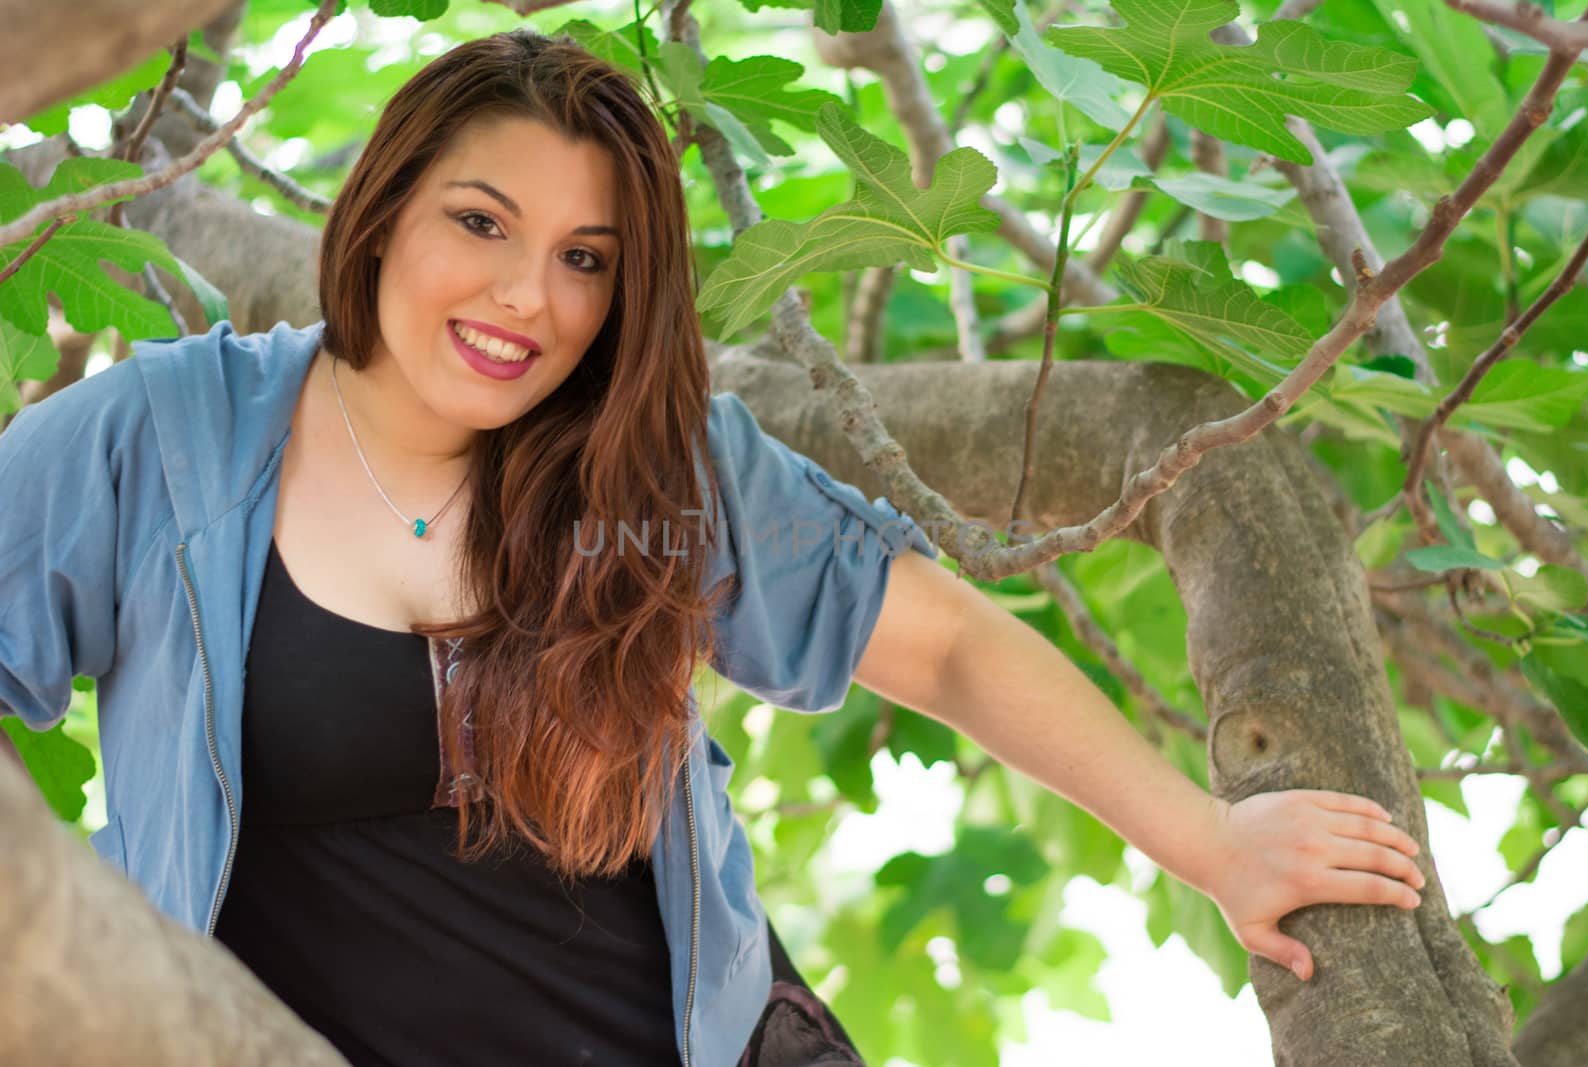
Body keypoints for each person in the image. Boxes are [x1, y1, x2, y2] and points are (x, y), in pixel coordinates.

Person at [0, 28, 1430, 1067]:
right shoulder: (160, 439)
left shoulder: (657, 466)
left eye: (585, 259)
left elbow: (938, 640)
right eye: (481, 223)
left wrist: (1213, 840)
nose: (524, 297)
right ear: (381, 212)